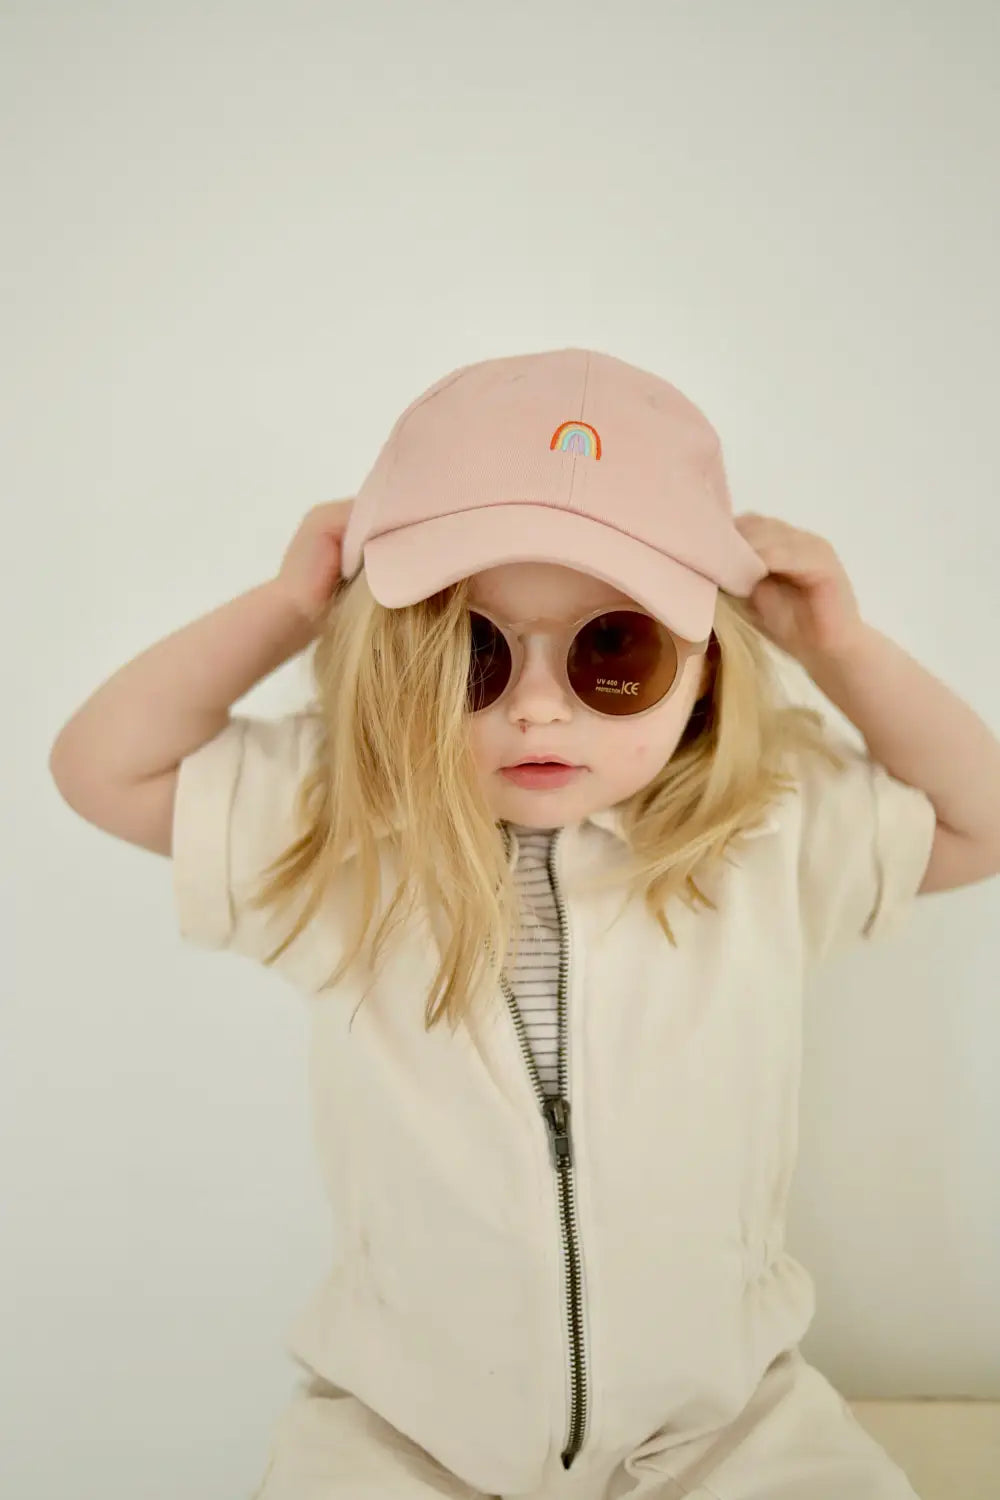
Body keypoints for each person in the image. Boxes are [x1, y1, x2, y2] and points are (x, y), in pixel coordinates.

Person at [49, 348, 1000, 1500]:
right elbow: (101, 769)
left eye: (613, 648)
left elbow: (980, 819)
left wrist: (839, 648)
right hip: (402, 1435)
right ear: (394, 661)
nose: (538, 704)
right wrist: (284, 608)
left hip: (727, 1427)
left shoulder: (763, 839)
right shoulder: (338, 840)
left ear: (703, 670)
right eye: (471, 652)